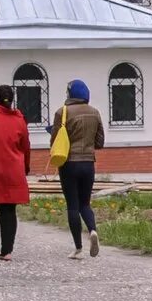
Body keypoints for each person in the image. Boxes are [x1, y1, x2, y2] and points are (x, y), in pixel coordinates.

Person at [50, 81, 105, 258]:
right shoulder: (95, 113)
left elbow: (55, 141)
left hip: (69, 164)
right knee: (85, 204)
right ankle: (93, 231)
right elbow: (100, 142)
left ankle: (78, 248)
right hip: (88, 163)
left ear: (70, 94)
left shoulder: (62, 112)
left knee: (72, 206)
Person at [0, 85, 31, 261]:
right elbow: (26, 148)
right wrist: (25, 168)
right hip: (12, 170)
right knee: (8, 212)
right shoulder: (19, 120)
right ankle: (6, 251)